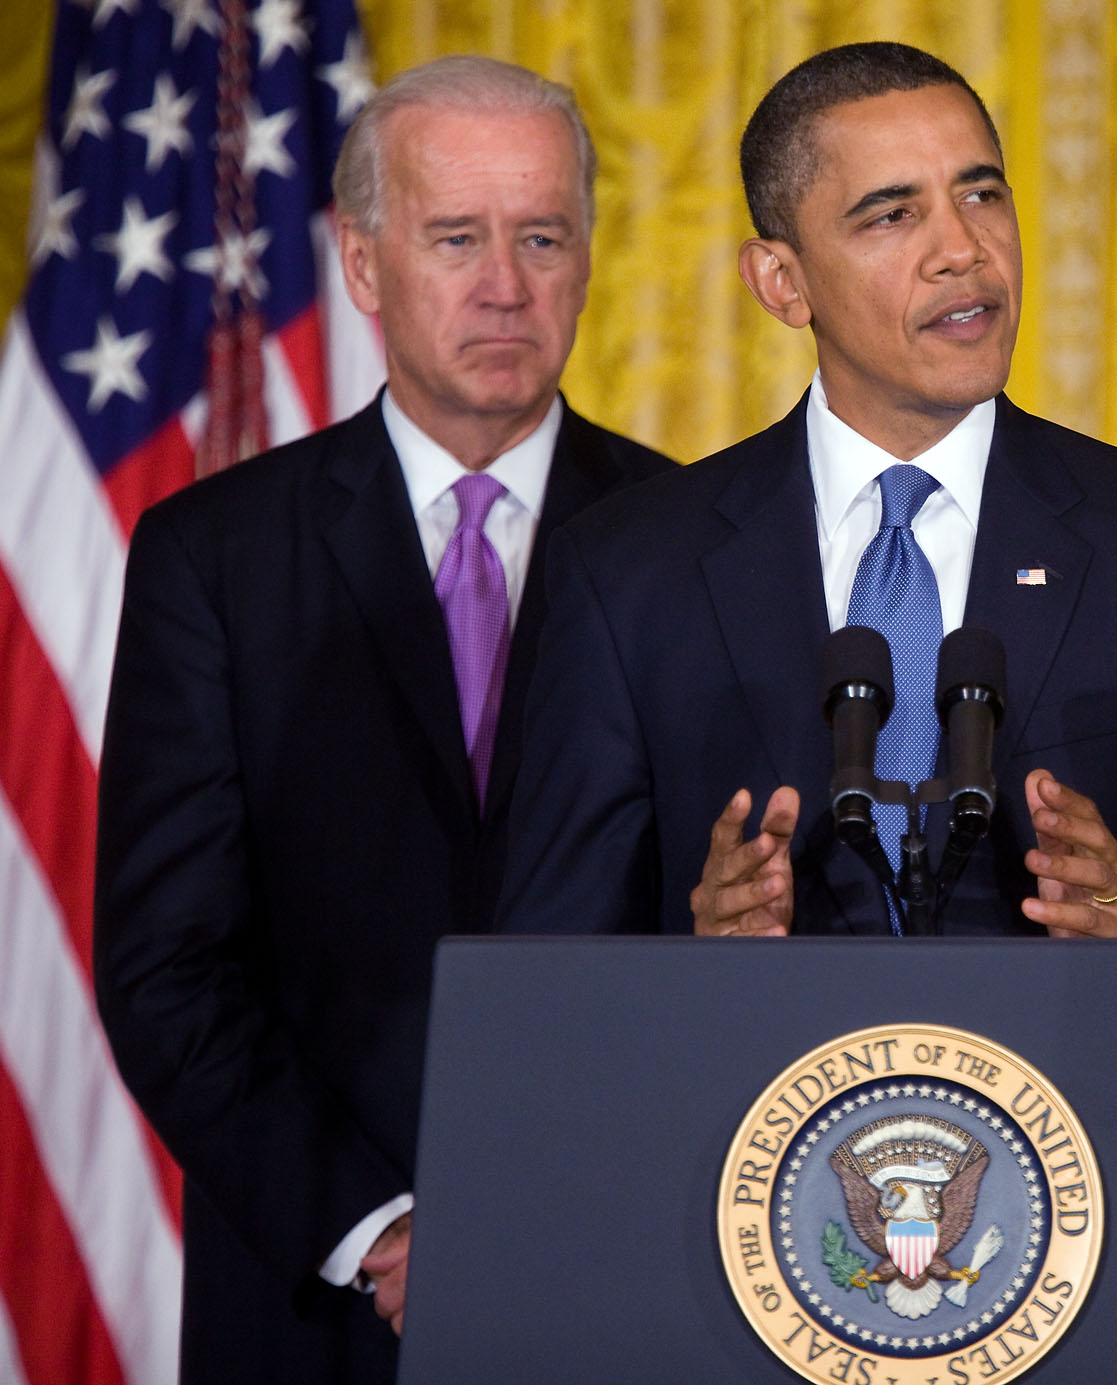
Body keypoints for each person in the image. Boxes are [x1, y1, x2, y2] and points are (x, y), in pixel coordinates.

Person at [92, 56, 674, 1385]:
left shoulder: (696, 543)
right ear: (362, 264)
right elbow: (167, 965)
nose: (506, 284)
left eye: (543, 236)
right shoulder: (213, 557)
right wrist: (383, 1228)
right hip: (319, 1303)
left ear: (586, 260)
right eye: (456, 238)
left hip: (630, 1279)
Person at [500, 41, 1117, 942]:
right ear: (782, 282)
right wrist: (700, 963)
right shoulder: (627, 574)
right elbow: (549, 981)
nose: (963, 249)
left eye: (982, 193)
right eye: (892, 215)